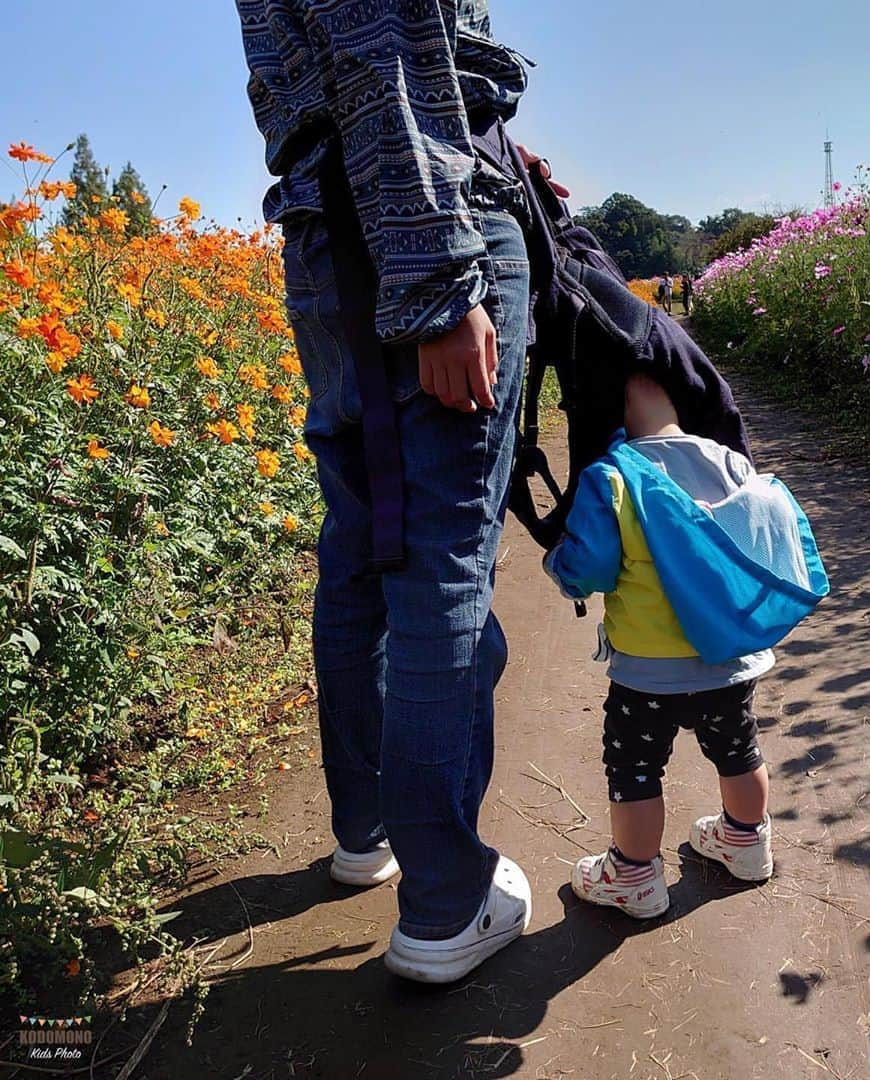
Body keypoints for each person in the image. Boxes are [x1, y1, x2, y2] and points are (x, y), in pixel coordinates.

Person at [235, 0, 564, 983]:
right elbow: (384, 50)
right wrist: (437, 282)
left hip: (322, 229)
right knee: (439, 567)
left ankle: (364, 832)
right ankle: (445, 904)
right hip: (412, 224)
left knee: (361, 550)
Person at [543, 374, 822, 917]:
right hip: (729, 665)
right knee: (738, 749)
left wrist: (559, 566)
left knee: (635, 769)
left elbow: (591, 567)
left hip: (647, 674)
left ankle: (633, 876)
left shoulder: (614, 477)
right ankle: (745, 842)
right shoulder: (730, 462)